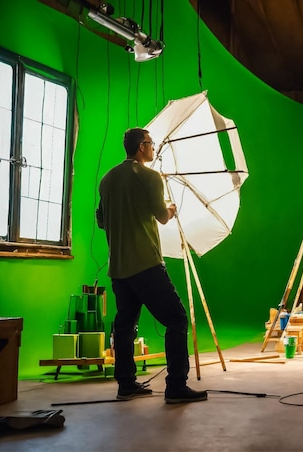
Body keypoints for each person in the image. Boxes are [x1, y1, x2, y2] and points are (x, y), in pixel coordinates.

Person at [97, 127, 209, 403]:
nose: (153, 147)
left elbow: (101, 220)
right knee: (177, 319)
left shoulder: (107, 179)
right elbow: (161, 216)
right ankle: (176, 386)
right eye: (150, 143)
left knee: (124, 326)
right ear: (140, 147)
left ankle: (126, 385)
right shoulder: (150, 177)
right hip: (146, 263)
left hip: (119, 268)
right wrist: (170, 209)